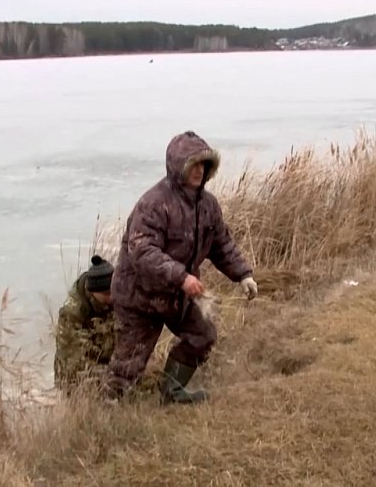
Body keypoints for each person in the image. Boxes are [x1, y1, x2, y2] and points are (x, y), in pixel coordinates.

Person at [104, 130, 257, 404]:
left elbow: (221, 244)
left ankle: (171, 392)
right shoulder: (153, 203)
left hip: (176, 295)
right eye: (192, 164)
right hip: (139, 297)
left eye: (203, 165)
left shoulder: (208, 205)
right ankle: (108, 413)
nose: (198, 170)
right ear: (178, 166)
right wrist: (182, 277)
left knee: (202, 336)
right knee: (128, 365)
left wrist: (243, 275)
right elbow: (142, 252)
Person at [54, 254, 116, 392]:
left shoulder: (117, 298)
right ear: (92, 292)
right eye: (106, 293)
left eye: (114, 290)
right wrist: (112, 373)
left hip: (108, 364)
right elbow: (74, 362)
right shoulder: (72, 314)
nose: (112, 297)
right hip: (77, 376)